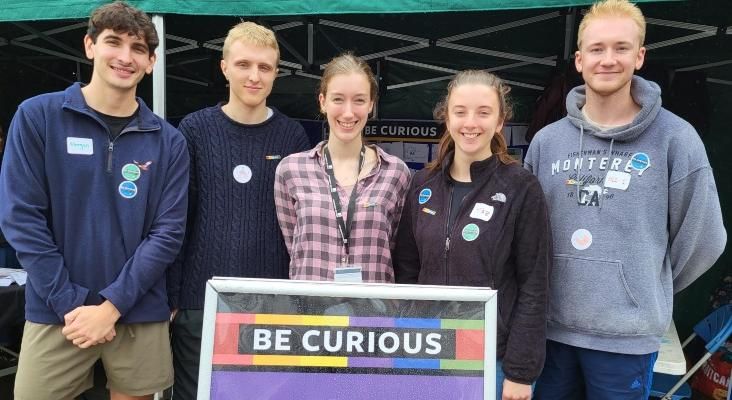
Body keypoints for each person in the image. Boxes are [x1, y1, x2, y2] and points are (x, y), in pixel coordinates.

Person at [524, 1, 727, 399]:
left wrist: (646, 282)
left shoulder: (676, 139)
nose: (608, 60)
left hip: (625, 341)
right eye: (597, 49)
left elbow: (704, 238)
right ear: (580, 60)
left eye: (621, 48)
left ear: (640, 56)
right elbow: (527, 235)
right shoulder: (547, 142)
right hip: (551, 332)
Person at [0, 1, 189, 399]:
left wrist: (111, 307)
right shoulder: (39, 117)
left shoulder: (169, 140)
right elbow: (21, 219)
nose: (125, 57)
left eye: (138, 49)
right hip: (58, 312)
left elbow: (167, 233)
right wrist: (71, 304)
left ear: (151, 62)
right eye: (113, 42)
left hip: (138, 311)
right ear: (89, 46)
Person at [167, 21, 311, 399]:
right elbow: (177, 219)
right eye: (244, 64)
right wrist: (174, 296)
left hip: (270, 304)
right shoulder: (195, 129)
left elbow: (298, 227)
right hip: (201, 300)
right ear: (225, 67)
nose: (254, 76)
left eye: (265, 68)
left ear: (275, 73)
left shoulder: (292, 135)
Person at [393, 70, 551, 400]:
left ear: (499, 122)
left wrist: (520, 373)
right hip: (428, 352)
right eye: (460, 111)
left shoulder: (521, 187)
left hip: (492, 360)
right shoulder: (422, 184)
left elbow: (535, 284)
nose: (471, 123)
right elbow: (406, 271)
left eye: (483, 112)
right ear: (446, 117)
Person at [274, 53, 410, 283]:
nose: (348, 112)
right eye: (338, 99)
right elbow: (292, 245)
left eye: (358, 100)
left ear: (371, 105)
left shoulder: (396, 173)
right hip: (311, 313)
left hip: (373, 314)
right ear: (322, 102)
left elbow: (396, 248)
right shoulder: (291, 170)